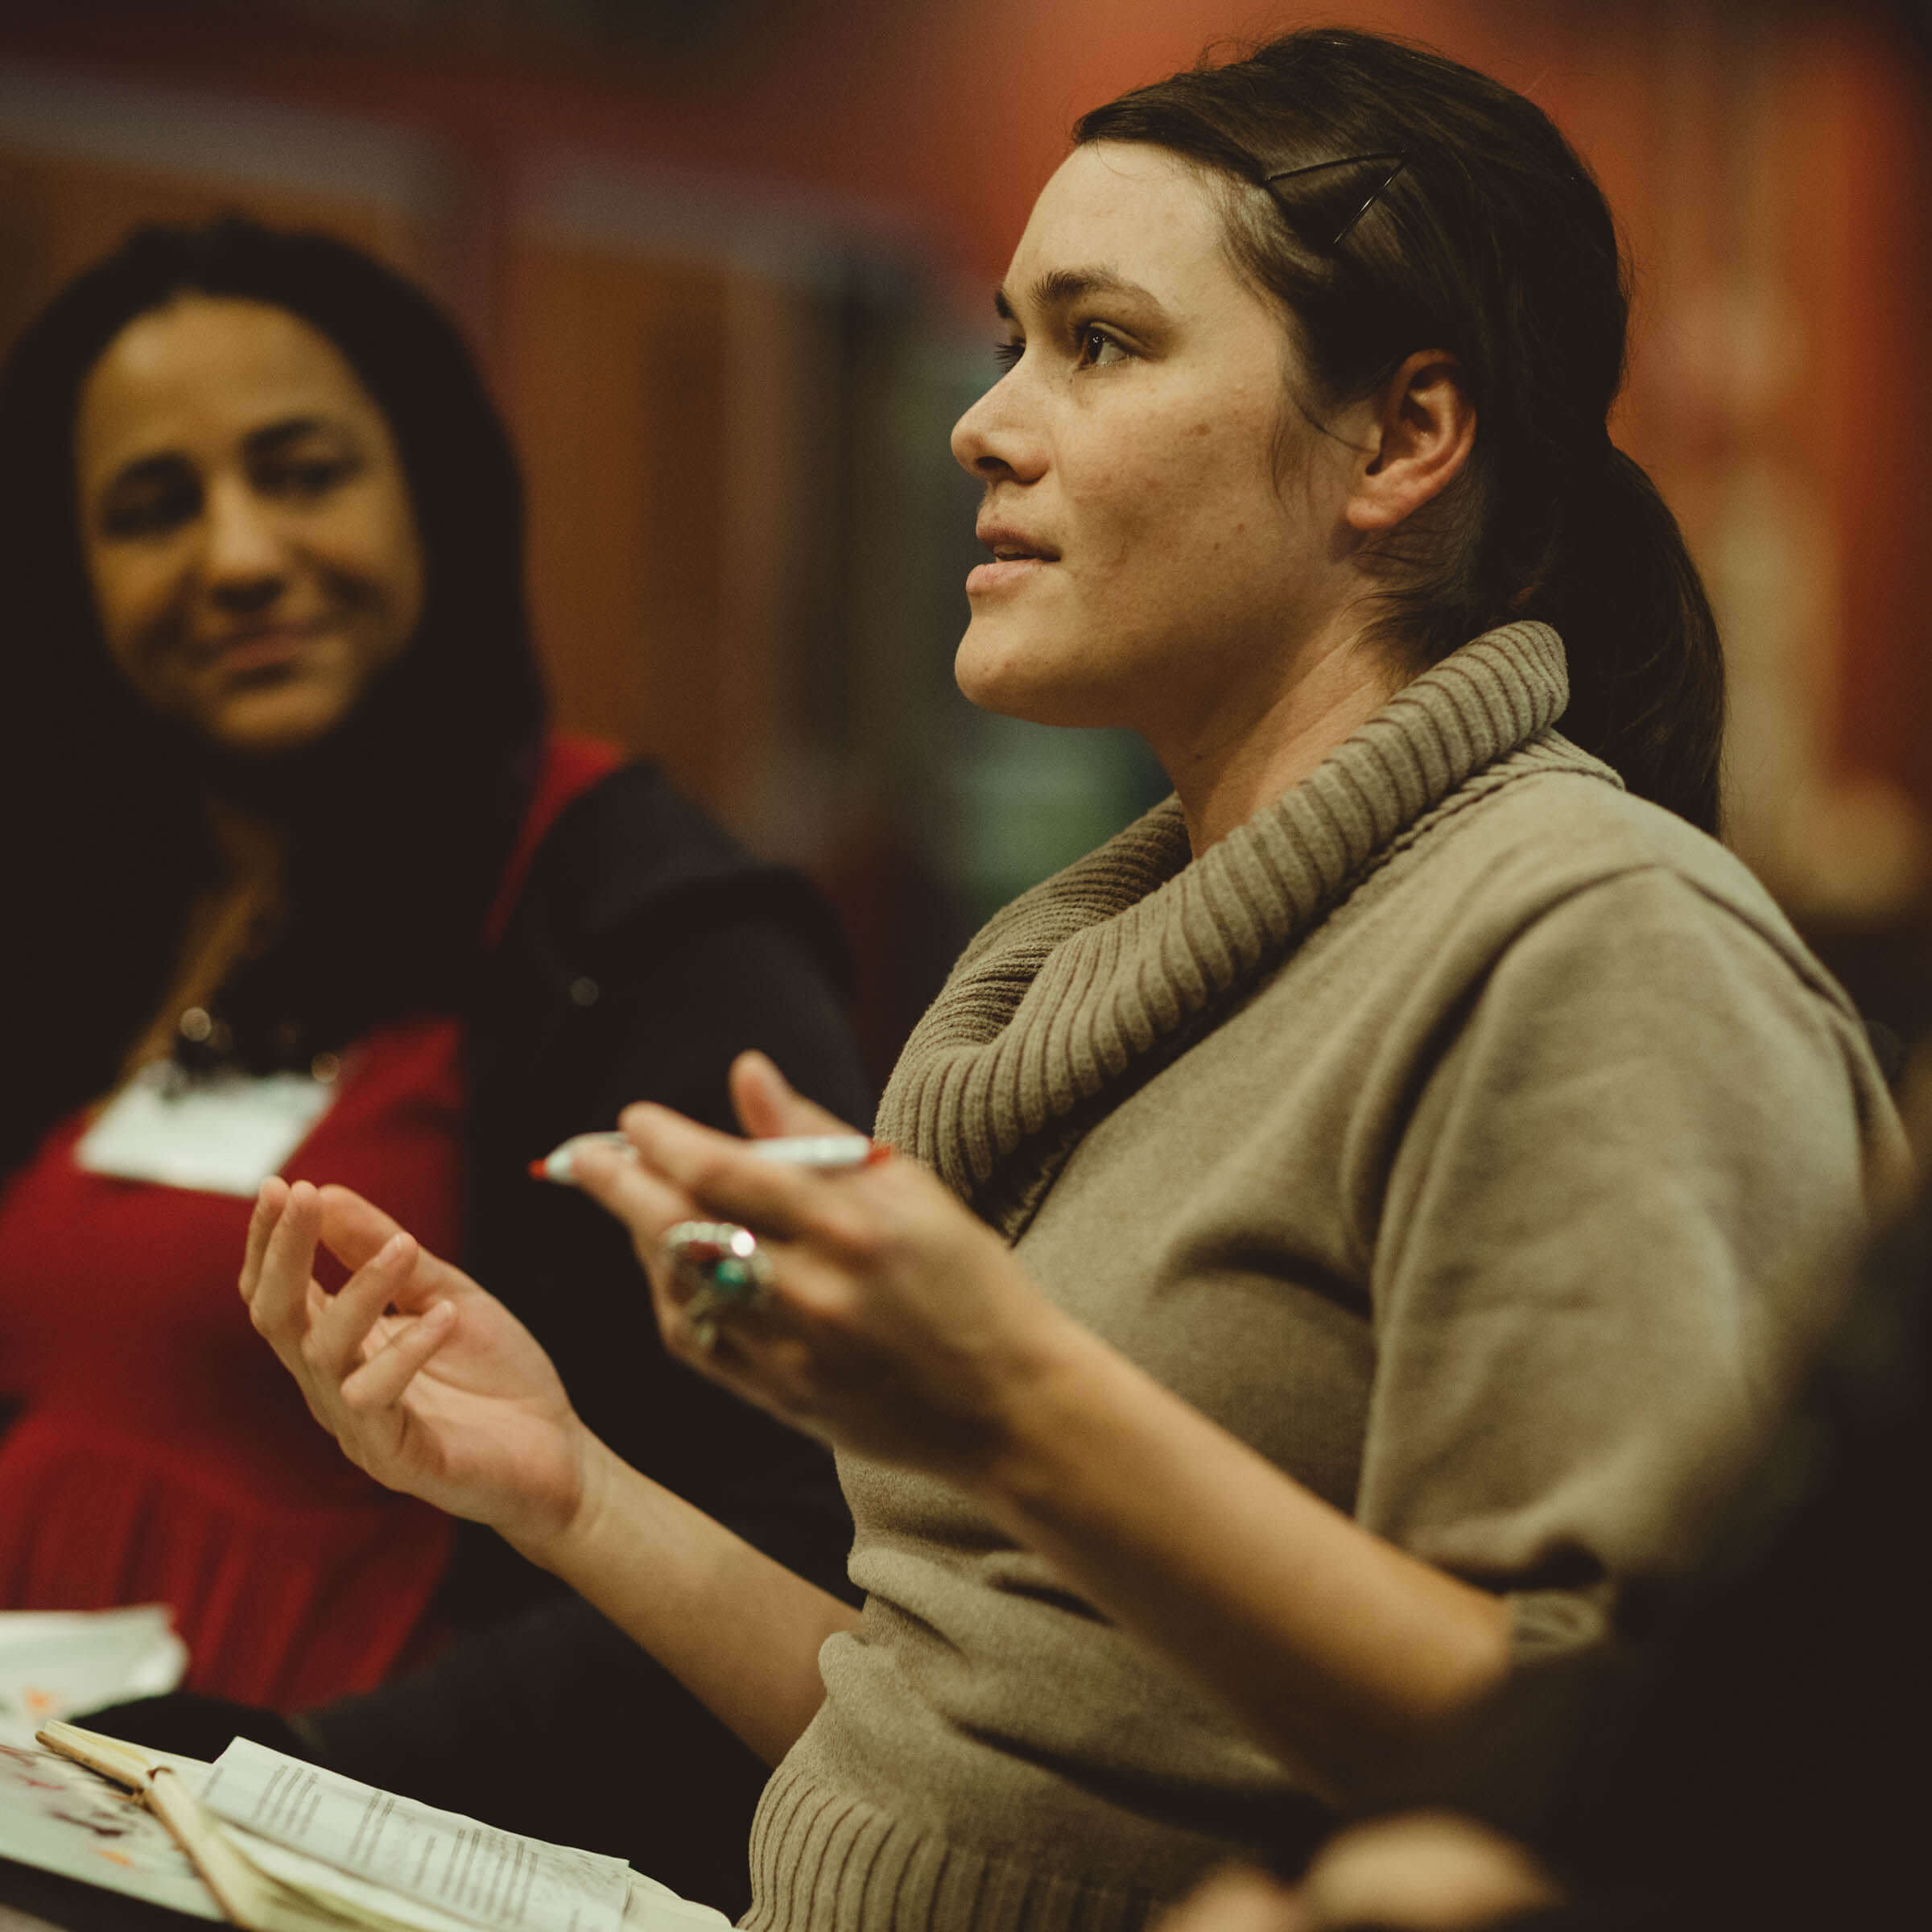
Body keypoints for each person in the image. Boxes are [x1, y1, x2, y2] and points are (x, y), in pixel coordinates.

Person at [242, 27, 1905, 1932]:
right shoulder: (1085, 964)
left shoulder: (1600, 953)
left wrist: (1016, 1403)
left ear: (1401, 438)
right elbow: (980, 1758)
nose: (984, 419)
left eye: (1098, 342)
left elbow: (1670, 1802)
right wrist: (566, 1489)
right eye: (1016, 336)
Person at [0, 217, 869, 1907]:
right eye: (152, 507)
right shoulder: (97, 908)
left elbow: (792, 1539)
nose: (238, 556)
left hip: (331, 1857)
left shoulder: (641, 920)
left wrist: (265, 1787)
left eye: (301, 470)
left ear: (435, 503)